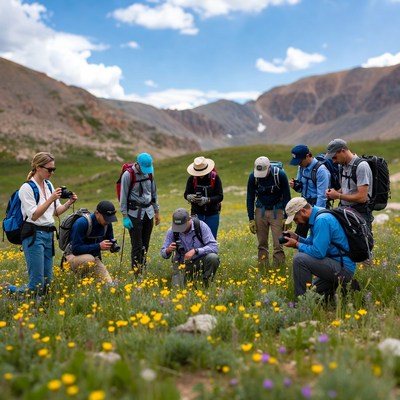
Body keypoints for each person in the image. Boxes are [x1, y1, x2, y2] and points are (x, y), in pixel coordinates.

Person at [1, 152, 77, 296]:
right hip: (33, 236)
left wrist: (69, 203)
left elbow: (55, 211)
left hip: (48, 235)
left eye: (54, 169)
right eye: (49, 169)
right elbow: (34, 215)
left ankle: (39, 303)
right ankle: (7, 289)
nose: (52, 173)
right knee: (36, 285)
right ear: (37, 167)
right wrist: (51, 198)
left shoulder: (48, 185)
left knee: (47, 284)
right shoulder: (27, 188)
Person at [282, 197, 356, 297]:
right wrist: (298, 238)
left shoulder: (322, 220)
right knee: (313, 292)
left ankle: (302, 303)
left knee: (299, 259)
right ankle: (346, 289)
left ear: (303, 211)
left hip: (343, 268)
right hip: (337, 263)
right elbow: (312, 242)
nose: (296, 222)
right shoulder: (318, 213)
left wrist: (296, 244)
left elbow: (318, 252)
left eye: (295, 218)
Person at [246, 156, 291, 271]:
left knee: (278, 242)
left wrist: (287, 216)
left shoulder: (280, 175)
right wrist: (251, 218)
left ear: (269, 167)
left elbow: (287, 196)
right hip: (260, 210)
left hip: (278, 210)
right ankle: (263, 268)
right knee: (262, 243)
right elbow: (250, 198)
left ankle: (278, 268)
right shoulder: (253, 177)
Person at [120, 153, 160, 275]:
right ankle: (137, 273)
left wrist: (156, 212)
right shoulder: (128, 175)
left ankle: (142, 268)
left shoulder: (150, 173)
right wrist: (125, 216)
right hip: (134, 215)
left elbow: (154, 193)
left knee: (145, 245)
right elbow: (123, 196)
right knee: (137, 245)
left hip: (149, 214)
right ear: (138, 164)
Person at [161, 208, 220, 288]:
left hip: (199, 261)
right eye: (178, 226)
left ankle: (206, 282)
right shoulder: (172, 230)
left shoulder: (201, 226)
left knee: (213, 258)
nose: (180, 229)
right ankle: (189, 278)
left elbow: (214, 247)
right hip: (182, 265)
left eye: (182, 226)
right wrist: (168, 250)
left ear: (189, 220)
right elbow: (163, 253)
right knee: (178, 288)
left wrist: (196, 251)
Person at [325, 138, 373, 231]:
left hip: (360, 213)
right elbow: (345, 188)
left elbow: (362, 197)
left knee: (361, 243)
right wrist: (332, 194)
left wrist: (338, 195)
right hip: (345, 210)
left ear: (342, 151)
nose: (333, 161)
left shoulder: (361, 166)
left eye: (334, 157)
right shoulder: (341, 166)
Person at [64, 201, 119, 284]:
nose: (108, 221)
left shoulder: (107, 224)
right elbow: (75, 249)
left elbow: (109, 239)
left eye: (110, 219)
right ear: (97, 213)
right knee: (89, 259)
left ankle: (90, 278)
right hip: (72, 256)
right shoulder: (82, 223)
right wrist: (98, 246)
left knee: (108, 284)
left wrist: (112, 246)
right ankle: (79, 279)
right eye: (106, 218)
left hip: (93, 258)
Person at [289, 144, 331, 237]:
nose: (299, 164)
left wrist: (318, 215)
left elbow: (322, 196)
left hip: (317, 205)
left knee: (318, 234)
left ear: (308, 156)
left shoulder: (321, 170)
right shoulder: (301, 167)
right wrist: (295, 185)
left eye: (300, 161)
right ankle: (301, 251)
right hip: (304, 204)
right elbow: (300, 188)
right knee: (299, 235)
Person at [184, 156, 223, 239]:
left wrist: (207, 200)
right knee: (196, 238)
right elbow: (186, 194)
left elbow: (220, 196)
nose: (200, 175)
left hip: (212, 214)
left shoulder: (215, 178)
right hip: (196, 214)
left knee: (211, 238)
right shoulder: (192, 178)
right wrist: (190, 197)